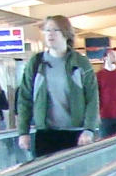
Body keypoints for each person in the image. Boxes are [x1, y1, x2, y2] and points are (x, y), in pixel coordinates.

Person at [14, 15, 100, 157]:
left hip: (76, 134)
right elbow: (25, 99)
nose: (50, 34)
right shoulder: (36, 63)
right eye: (47, 30)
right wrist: (23, 132)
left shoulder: (81, 63)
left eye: (55, 30)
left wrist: (89, 129)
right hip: (45, 134)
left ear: (66, 33)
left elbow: (92, 99)